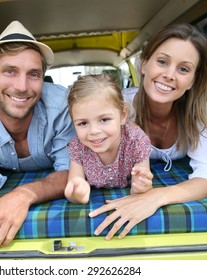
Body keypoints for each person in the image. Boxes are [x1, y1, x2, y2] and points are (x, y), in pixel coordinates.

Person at [89, 23, 207, 240]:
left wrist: (156, 197)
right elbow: (93, 160)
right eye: (162, 61)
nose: (169, 75)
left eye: (184, 69)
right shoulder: (118, 107)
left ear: (193, 80)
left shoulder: (201, 101)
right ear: (144, 64)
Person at [0, 21, 76, 248]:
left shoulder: (62, 106)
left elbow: (71, 172)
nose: (21, 86)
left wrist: (23, 194)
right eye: (10, 71)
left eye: (33, 74)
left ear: (43, 79)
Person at [65, 74, 153, 204]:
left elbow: (142, 184)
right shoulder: (78, 147)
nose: (94, 131)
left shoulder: (136, 141)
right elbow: (74, 183)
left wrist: (141, 186)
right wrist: (76, 193)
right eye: (83, 123)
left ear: (123, 115)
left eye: (104, 120)